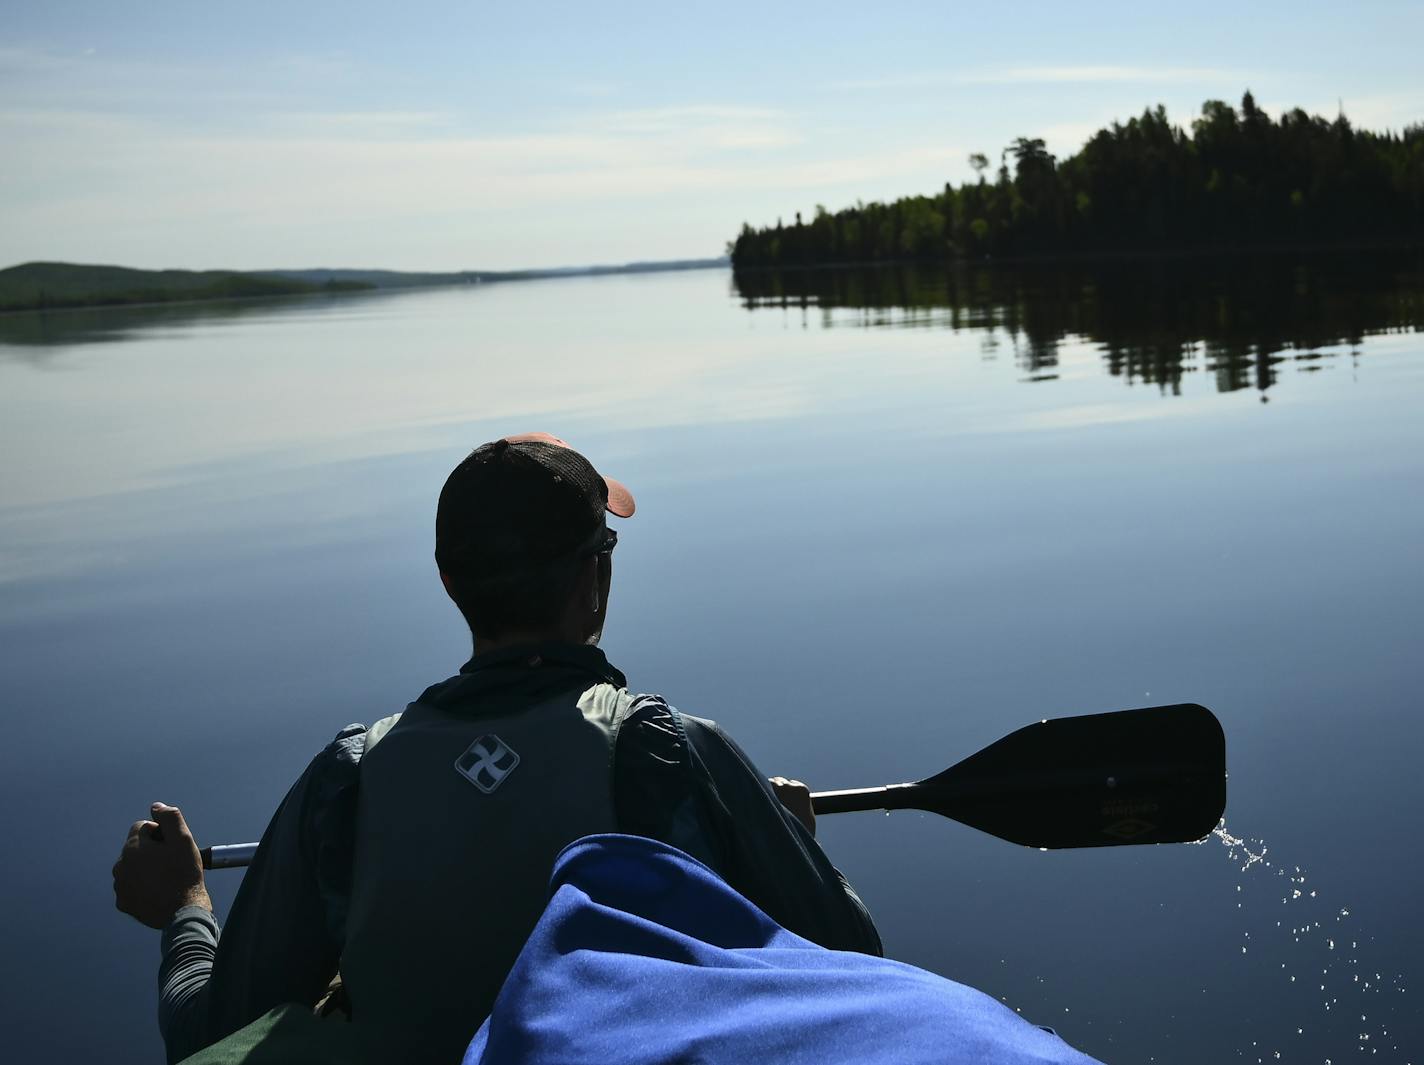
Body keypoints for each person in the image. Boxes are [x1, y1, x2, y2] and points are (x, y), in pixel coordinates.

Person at [113, 432, 881, 1064]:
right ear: (596, 576)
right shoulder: (675, 751)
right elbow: (854, 954)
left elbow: (207, 1033)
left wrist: (185, 905)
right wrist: (789, 849)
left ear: (449, 582)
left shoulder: (348, 776)